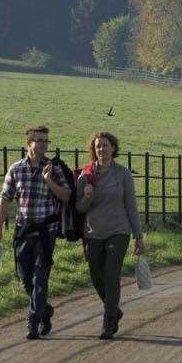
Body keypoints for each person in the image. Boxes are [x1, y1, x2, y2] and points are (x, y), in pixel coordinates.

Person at [0, 126, 71, 340]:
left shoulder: (53, 168)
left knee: (40, 277)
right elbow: (5, 198)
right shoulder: (16, 169)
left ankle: (33, 320)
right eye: (40, 140)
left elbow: (66, 195)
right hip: (23, 229)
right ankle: (44, 309)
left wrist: (49, 181)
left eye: (47, 140)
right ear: (29, 144)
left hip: (47, 231)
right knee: (24, 277)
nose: (45, 144)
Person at [76, 131, 145, 339]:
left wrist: (138, 236)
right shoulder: (85, 175)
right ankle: (114, 309)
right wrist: (87, 197)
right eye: (98, 146)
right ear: (93, 150)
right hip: (93, 232)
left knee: (111, 274)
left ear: (113, 148)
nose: (101, 149)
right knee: (96, 277)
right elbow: (79, 208)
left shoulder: (123, 174)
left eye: (105, 145)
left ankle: (108, 321)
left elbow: (131, 206)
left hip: (119, 230)